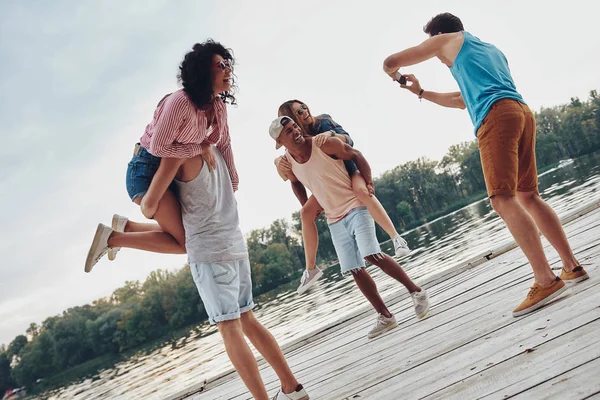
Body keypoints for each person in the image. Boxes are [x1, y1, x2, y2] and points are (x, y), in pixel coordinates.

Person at [382, 13, 589, 317]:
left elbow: (390, 61)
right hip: (519, 111)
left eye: (432, 41)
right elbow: (462, 100)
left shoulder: (445, 40)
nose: (436, 54)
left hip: (496, 119)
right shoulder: (488, 50)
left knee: (502, 200)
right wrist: (421, 92)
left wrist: (397, 78)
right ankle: (571, 266)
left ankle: (545, 279)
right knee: (528, 196)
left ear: (438, 34)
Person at [84, 40, 238, 273]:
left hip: (173, 174)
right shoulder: (180, 102)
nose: (228, 70)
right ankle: (113, 239)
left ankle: (126, 227)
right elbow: (159, 148)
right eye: (220, 65)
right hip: (146, 172)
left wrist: (232, 182)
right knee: (186, 242)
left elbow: (224, 143)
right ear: (203, 72)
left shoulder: (217, 106)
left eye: (228, 64)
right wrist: (199, 149)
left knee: (188, 234)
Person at [269, 116, 430, 339]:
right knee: (354, 268)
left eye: (295, 126)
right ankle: (386, 316)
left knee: (372, 254)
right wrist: (307, 205)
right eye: (288, 131)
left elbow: (356, 155)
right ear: (280, 141)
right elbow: (296, 183)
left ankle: (417, 292)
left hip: (356, 206)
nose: (295, 131)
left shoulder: (322, 143)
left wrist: (369, 182)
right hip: (334, 218)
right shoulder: (287, 162)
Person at [173, 148, 309, 400]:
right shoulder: (216, 149)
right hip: (235, 244)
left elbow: (151, 204)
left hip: (209, 252)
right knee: (247, 318)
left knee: (228, 326)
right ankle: (292, 388)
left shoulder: (179, 156)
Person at [275, 100, 411, 294]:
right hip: (329, 184)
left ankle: (396, 238)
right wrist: (281, 166)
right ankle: (311, 269)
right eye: (298, 112)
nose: (304, 111)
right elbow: (295, 178)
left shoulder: (323, 122)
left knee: (362, 192)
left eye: (303, 107)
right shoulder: (298, 140)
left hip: (349, 171)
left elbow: (349, 141)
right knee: (305, 213)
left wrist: (330, 135)